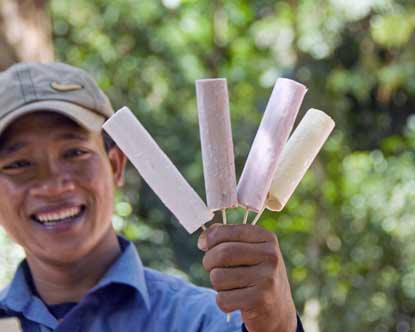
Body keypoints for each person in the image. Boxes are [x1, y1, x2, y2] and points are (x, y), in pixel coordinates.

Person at [0, 62, 304, 332]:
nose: (53, 186)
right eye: (18, 164)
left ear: (116, 164)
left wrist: (276, 326)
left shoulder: (207, 321)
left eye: (75, 153)